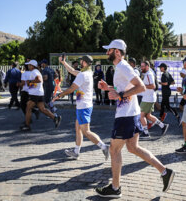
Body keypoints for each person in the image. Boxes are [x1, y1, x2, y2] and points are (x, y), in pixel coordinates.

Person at [95, 39, 174, 198]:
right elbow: (125, 89)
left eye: (109, 50)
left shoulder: (123, 66)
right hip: (131, 113)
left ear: (117, 52)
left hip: (126, 116)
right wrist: (109, 88)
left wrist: (119, 94)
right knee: (133, 148)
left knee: (114, 149)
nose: (106, 53)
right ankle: (165, 172)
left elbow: (141, 87)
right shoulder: (120, 68)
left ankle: (115, 188)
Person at [53, 55, 109, 160]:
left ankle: (104, 147)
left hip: (83, 106)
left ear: (84, 62)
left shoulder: (82, 75)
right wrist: (63, 63)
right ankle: (76, 151)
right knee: (78, 128)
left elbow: (71, 88)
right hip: (84, 105)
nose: (80, 63)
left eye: (81, 61)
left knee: (86, 131)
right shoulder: (87, 73)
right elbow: (72, 71)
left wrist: (59, 95)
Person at [20, 60, 61, 131]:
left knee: (28, 108)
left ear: (32, 66)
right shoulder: (36, 71)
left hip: (35, 94)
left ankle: (27, 125)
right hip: (38, 93)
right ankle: (55, 118)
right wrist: (31, 83)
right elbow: (38, 82)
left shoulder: (34, 71)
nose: (28, 66)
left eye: (29, 65)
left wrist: (30, 82)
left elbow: (39, 80)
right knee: (42, 109)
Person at [139, 61, 169, 140]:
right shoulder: (147, 74)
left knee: (141, 116)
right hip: (149, 97)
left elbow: (153, 86)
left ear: (147, 66)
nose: (142, 68)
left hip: (148, 98)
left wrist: (142, 85)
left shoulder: (149, 74)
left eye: (143, 66)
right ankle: (163, 126)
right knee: (148, 116)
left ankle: (146, 133)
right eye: (141, 66)